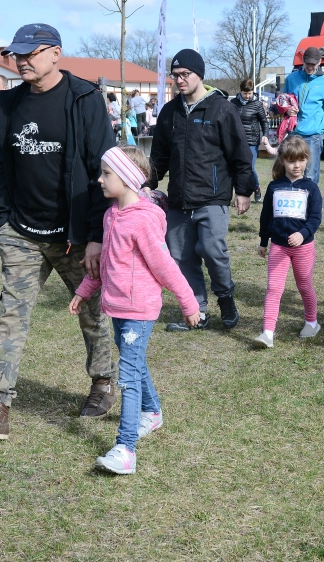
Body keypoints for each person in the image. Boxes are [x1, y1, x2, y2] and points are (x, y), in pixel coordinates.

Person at [0, 23, 117, 441]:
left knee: (93, 312)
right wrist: (4, 218)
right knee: (11, 315)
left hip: (75, 235)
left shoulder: (85, 99)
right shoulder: (8, 102)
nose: (21, 61)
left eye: (31, 53)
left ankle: (103, 383)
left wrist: (97, 234)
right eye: (17, 55)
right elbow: (4, 163)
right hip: (21, 232)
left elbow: (104, 169)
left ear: (55, 53)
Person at [70, 146, 201, 475]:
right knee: (134, 362)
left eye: (107, 174)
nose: (99, 180)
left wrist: (188, 302)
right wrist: (84, 291)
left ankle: (126, 448)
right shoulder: (111, 214)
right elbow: (105, 263)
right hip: (117, 307)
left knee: (127, 376)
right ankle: (152, 412)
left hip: (139, 310)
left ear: (128, 178)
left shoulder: (142, 220)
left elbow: (165, 266)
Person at [146, 48, 254, 331]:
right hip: (179, 199)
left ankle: (226, 299)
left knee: (211, 249)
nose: (180, 80)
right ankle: (198, 312)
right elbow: (159, 157)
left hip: (212, 197)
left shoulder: (222, 109)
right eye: (175, 75)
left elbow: (240, 153)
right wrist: (146, 184)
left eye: (185, 74)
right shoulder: (169, 112)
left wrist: (244, 190)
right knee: (181, 257)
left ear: (199, 75)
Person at [254, 134, 323, 348]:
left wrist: (303, 233)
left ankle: (311, 322)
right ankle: (268, 333)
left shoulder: (311, 188)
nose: (297, 165)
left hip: (304, 248)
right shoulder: (274, 187)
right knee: (273, 288)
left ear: (307, 160)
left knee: (304, 286)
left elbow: (315, 218)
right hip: (278, 247)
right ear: (282, 160)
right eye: (292, 161)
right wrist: (264, 240)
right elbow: (266, 215)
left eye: (301, 160)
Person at [283, 46, 324, 182]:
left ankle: (310, 196)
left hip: (313, 137)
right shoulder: (291, 79)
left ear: (320, 62)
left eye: (313, 64)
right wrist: (286, 110)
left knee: (310, 178)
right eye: (307, 63)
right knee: (290, 175)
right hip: (292, 135)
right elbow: (282, 103)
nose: (310, 67)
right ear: (303, 61)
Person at [229, 79, 270, 203]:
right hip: (237, 141)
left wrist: (265, 135)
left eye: (249, 93)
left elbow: (264, 121)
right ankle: (239, 193)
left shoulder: (257, 104)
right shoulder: (233, 103)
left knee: (249, 168)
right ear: (240, 91)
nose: (247, 96)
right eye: (245, 93)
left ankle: (256, 188)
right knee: (236, 168)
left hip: (252, 140)